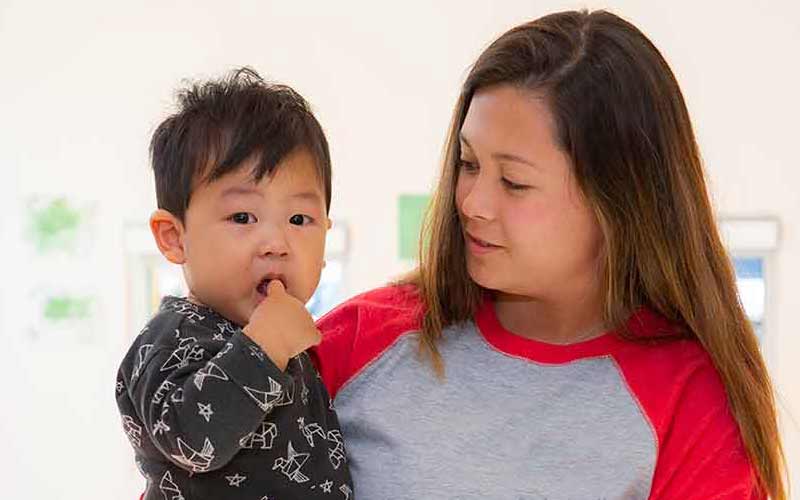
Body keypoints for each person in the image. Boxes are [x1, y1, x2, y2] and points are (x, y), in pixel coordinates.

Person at [314, 10, 786, 499]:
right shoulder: (357, 344)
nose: (471, 203)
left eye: (514, 183)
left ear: (618, 200)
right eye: (468, 163)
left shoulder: (689, 402)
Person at [115, 67, 353, 500]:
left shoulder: (293, 348)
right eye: (243, 217)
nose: (277, 243)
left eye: (300, 220)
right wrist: (264, 347)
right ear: (175, 238)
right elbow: (191, 439)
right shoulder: (174, 337)